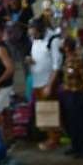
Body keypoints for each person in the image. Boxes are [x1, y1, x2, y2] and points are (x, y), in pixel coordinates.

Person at [29, 18, 63, 151]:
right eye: (31, 34)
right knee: (44, 111)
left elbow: (56, 66)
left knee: (50, 111)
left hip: (47, 83)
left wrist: (49, 85)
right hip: (37, 81)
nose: (33, 37)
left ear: (41, 30)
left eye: (35, 34)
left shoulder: (53, 41)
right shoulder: (35, 39)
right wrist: (30, 61)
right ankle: (50, 136)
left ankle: (54, 139)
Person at [57, 35, 83, 159]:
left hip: (76, 96)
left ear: (67, 47)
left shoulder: (77, 60)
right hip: (68, 94)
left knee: (79, 123)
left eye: (63, 44)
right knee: (70, 123)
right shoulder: (67, 59)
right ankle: (75, 146)